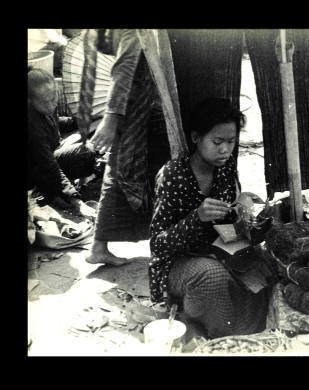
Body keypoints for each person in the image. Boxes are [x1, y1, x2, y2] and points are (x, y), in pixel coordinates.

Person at [149, 98, 269, 339]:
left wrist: (244, 210)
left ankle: (238, 335)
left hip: (216, 250)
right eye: (217, 142)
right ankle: (216, 337)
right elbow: (157, 245)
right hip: (177, 264)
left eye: (231, 141)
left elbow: (231, 213)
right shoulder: (173, 175)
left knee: (262, 267)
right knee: (211, 276)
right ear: (196, 138)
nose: (225, 149)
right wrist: (196, 218)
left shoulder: (225, 166)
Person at [85, 29, 170, 266]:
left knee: (119, 170)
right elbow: (123, 71)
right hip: (136, 110)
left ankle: (99, 247)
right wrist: (111, 117)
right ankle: (163, 242)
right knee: (134, 172)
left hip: (138, 106)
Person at [27, 67, 97, 219]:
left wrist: (80, 120)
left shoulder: (45, 106)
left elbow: (56, 122)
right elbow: (50, 166)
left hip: (50, 153)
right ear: (30, 101)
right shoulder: (32, 126)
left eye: (54, 99)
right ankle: (49, 192)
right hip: (37, 172)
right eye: (45, 102)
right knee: (85, 152)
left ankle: (57, 191)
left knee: (90, 133)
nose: (51, 105)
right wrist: (78, 202)